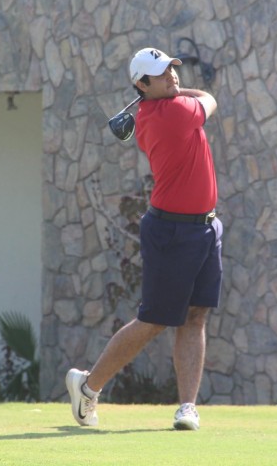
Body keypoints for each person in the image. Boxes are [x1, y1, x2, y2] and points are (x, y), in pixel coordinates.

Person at [66, 47, 223, 431]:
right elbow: (210, 99)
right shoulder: (171, 114)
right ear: (141, 84)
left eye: (172, 69)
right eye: (161, 73)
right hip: (172, 231)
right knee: (153, 320)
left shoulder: (154, 110)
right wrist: (185, 92)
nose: (172, 76)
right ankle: (88, 387)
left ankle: (187, 407)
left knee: (195, 315)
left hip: (205, 226)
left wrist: (172, 89)